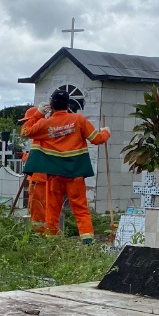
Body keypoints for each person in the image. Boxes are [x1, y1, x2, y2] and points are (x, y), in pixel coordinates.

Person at [25, 88, 110, 244]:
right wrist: (106, 132)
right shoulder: (79, 120)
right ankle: (88, 244)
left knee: (52, 210)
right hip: (75, 175)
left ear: (51, 105)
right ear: (68, 105)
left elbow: (25, 131)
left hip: (54, 176)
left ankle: (51, 244)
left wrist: (38, 114)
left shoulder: (45, 123)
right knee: (81, 210)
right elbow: (97, 139)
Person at [18, 106, 47, 232]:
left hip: (39, 179)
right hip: (47, 178)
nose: (26, 123)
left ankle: (38, 236)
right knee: (46, 211)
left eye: (28, 120)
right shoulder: (48, 129)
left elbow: (35, 157)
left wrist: (25, 156)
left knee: (38, 213)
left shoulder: (40, 131)